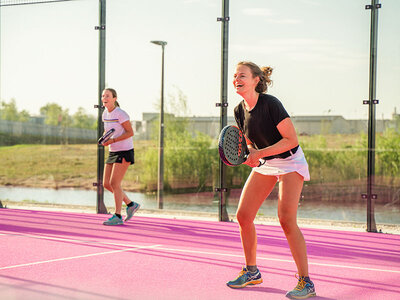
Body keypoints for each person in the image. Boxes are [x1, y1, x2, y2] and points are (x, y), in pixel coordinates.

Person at [226, 62, 316, 299]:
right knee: (243, 216)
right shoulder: (238, 110)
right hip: (266, 163)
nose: (236, 78)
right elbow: (248, 144)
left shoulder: (271, 104)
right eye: (235, 76)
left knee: (286, 220)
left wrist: (258, 154)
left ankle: (306, 282)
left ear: (256, 80)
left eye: (242, 75)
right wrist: (249, 156)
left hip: (290, 161)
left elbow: (291, 140)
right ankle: (252, 271)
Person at [100, 88, 140, 226]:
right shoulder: (104, 113)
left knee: (115, 183)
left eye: (108, 96)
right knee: (106, 183)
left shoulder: (121, 114)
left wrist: (113, 141)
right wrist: (105, 139)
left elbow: (130, 132)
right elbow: (108, 130)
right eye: (103, 96)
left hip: (124, 150)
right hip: (113, 150)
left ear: (114, 99)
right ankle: (130, 204)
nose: (104, 97)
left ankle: (117, 216)